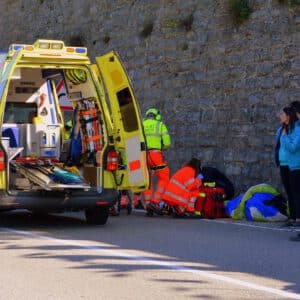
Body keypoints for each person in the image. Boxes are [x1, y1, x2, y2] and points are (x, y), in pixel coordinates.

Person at [142, 107, 171, 216]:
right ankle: (155, 202)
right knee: (164, 177)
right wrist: (161, 149)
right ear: (157, 116)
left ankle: (148, 205)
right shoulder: (160, 125)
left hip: (143, 155)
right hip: (155, 155)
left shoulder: (142, 124)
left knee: (147, 180)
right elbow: (167, 143)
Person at [275, 106, 300, 227]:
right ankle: (293, 218)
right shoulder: (281, 130)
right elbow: (278, 146)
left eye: (282, 114)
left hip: (293, 165)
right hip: (283, 164)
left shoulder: (295, 130)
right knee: (289, 192)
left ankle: (298, 219)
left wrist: (284, 137)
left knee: (296, 193)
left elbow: (292, 147)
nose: (280, 115)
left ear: (288, 116)